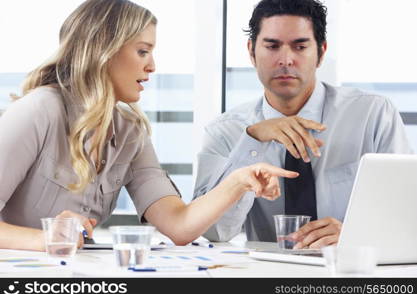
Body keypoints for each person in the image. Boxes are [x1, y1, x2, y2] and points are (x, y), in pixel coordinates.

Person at [0, 0, 298, 252]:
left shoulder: (130, 132)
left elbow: (179, 226)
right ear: (104, 51)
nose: (152, 65)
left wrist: (238, 182)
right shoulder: (39, 110)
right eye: (142, 51)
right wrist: (46, 239)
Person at [193, 0, 413, 248]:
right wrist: (252, 141)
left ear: (321, 52)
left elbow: (405, 215)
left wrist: (356, 235)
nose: (285, 60)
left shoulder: (373, 114)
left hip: (351, 274)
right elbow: (214, 232)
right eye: (272, 46)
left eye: (299, 46)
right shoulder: (225, 131)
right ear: (251, 51)